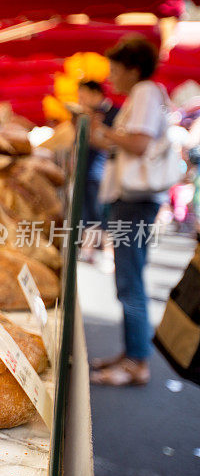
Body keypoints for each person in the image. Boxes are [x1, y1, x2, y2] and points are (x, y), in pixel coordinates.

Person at [89, 37, 170, 386]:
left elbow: (138, 143)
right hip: (131, 200)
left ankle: (137, 360)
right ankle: (131, 353)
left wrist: (106, 131)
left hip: (135, 201)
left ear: (133, 69)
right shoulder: (143, 95)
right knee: (128, 278)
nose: (112, 78)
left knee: (130, 281)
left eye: (115, 70)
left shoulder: (146, 93)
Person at [76, 80, 118, 263]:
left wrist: (92, 131)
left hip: (101, 171)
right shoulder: (85, 115)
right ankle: (89, 250)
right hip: (86, 170)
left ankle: (110, 252)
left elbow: (112, 145)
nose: (81, 100)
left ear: (96, 94)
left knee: (100, 213)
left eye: (83, 96)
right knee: (87, 213)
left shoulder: (112, 113)